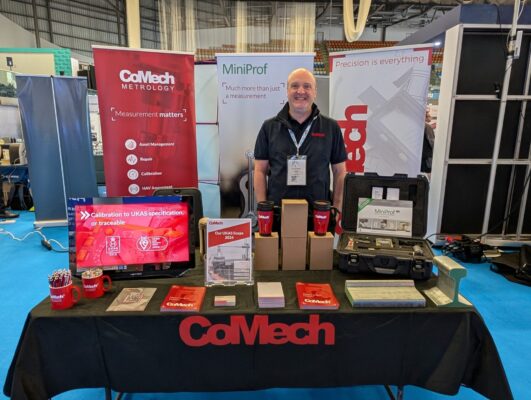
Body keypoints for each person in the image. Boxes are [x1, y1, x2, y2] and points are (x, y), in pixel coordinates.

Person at [253, 67, 347, 218]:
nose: (301, 91)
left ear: (315, 92)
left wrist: (336, 207)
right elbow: (259, 170)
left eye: (307, 86)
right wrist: (263, 208)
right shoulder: (269, 127)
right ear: (287, 90)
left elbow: (340, 171)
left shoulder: (331, 128)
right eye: (295, 86)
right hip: (278, 213)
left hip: (319, 214)